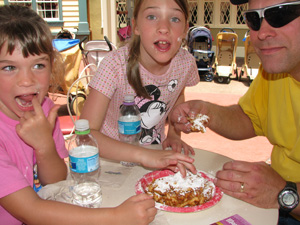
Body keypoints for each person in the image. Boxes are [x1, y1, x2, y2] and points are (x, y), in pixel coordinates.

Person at [0, 5, 194, 225]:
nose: (27, 80)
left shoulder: (45, 111)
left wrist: (44, 146)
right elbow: (30, 211)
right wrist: (116, 217)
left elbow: (54, 180)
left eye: (38, 65)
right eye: (9, 68)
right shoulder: (114, 65)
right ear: (135, 25)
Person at [169, 0, 300, 224]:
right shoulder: (275, 71)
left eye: (280, 15)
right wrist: (206, 111)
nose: (262, 33)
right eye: (254, 19)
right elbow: (249, 118)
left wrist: (284, 192)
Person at [80, 0, 200, 163]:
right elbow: (85, 134)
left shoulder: (185, 63)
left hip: (155, 153)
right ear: (135, 26)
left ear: (186, 29)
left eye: (175, 19)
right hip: (109, 160)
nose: (164, 28)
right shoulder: (114, 65)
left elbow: (177, 94)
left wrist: (173, 134)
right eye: (152, 16)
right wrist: (142, 156)